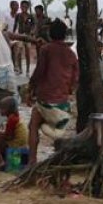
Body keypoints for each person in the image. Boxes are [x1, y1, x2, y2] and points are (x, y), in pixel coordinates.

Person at [25, 19, 78, 165]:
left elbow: (39, 72)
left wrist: (30, 89)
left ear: (50, 33)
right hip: (62, 101)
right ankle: (59, 162)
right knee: (59, 135)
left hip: (45, 99)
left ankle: (32, 161)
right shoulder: (71, 54)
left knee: (33, 126)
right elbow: (75, 79)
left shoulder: (46, 50)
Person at [0, 96, 28, 170]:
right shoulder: (15, 117)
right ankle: (3, 161)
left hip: (16, 146)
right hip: (22, 147)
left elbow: (9, 137)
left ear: (8, 109)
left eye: (2, 108)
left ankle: (1, 161)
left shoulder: (11, 119)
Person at [13, 0, 34, 74]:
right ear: (21, 7)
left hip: (27, 36)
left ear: (28, 7)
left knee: (27, 52)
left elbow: (33, 25)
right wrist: (13, 34)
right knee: (19, 52)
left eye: (26, 6)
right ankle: (20, 69)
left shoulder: (30, 16)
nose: (24, 8)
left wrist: (32, 31)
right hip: (20, 35)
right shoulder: (18, 16)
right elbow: (15, 25)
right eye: (22, 6)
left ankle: (27, 69)